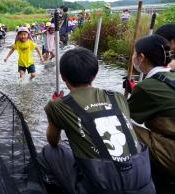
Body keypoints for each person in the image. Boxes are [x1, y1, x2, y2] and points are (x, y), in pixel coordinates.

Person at [39, 47, 155, 193]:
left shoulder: (57, 105)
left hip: (102, 187)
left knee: (49, 151)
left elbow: (52, 140)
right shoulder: (117, 97)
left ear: (62, 76)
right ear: (94, 75)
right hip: (144, 184)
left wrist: (55, 113)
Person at [127, 35, 175, 193]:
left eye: (135, 54)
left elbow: (124, 114)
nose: (133, 57)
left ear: (141, 57)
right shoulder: (171, 76)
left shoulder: (147, 86)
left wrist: (131, 92)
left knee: (122, 126)